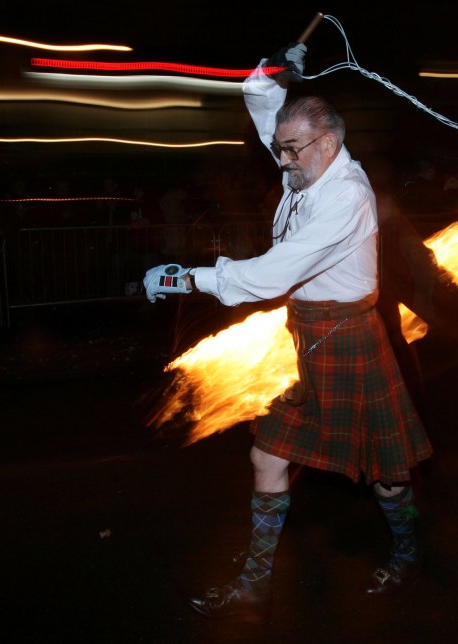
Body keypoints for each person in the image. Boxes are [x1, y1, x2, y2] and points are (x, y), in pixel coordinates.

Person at [143, 42, 432, 619]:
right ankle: (253, 583)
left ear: (327, 144)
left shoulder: (346, 195)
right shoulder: (307, 163)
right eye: (279, 149)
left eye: (290, 150)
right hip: (307, 337)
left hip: (350, 338)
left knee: (388, 477)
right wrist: (271, 70)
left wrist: (188, 277)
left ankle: (409, 551)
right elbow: (260, 101)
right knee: (266, 458)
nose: (281, 161)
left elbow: (270, 275)